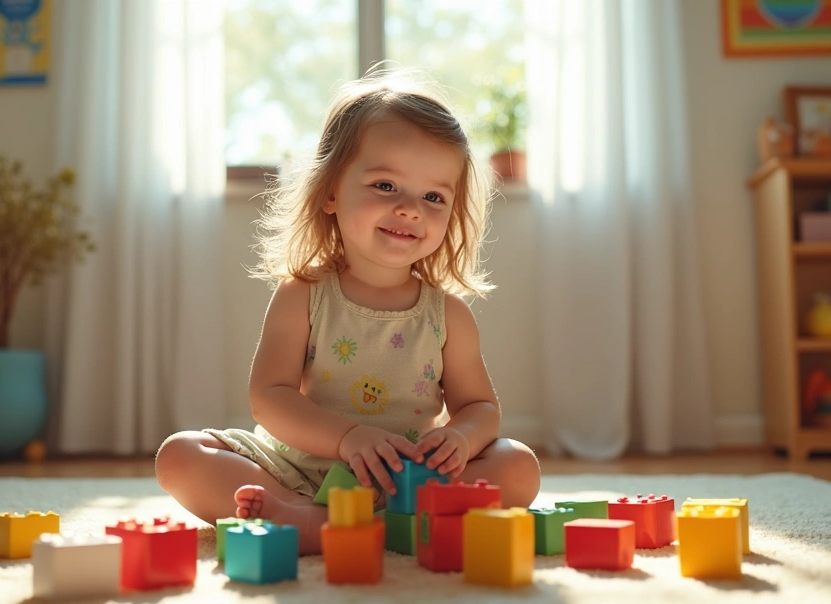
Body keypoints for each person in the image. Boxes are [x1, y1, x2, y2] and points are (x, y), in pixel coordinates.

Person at [155, 67, 541, 555]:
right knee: (180, 455)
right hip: (297, 471)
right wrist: (348, 439)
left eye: (433, 196)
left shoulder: (448, 315)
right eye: (386, 186)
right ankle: (311, 515)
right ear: (331, 191)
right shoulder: (304, 294)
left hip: (405, 481)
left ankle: (348, 524)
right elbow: (269, 398)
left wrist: (461, 439)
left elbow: (480, 408)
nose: (410, 208)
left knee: (518, 466)